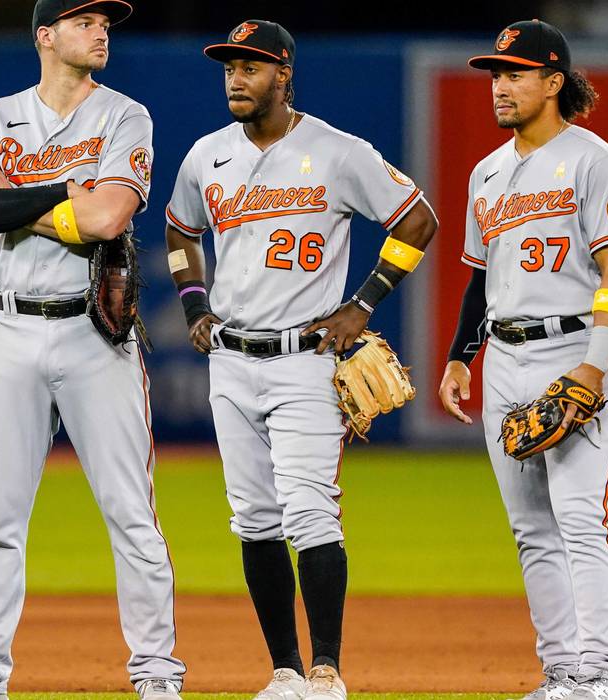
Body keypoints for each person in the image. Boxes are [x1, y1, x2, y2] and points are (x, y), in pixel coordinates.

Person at [164, 20, 438, 700]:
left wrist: (364, 303)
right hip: (229, 361)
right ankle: (284, 672)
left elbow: (417, 220)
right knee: (253, 519)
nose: (235, 77)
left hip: (302, 361)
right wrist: (194, 303)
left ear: (283, 74)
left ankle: (326, 672)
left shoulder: (338, 152)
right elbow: (178, 230)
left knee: (309, 514)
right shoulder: (206, 155)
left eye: (251, 66)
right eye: (229, 65)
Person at [0, 1, 185, 699]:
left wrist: (23, 195)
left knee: (131, 512)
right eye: (84, 21)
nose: (101, 31)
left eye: (105, 23)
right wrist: (65, 191)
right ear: (45, 35)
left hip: (93, 333)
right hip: (8, 329)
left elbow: (105, 216)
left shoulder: (125, 115)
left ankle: (156, 677)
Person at [438, 20, 608, 700]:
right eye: (494, 73)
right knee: (531, 528)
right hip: (505, 357)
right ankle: (561, 672)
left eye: (514, 73)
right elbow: (478, 276)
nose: (499, 86)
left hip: (575, 346)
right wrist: (460, 357)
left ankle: (596, 673)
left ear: (553, 81)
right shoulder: (486, 172)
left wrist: (594, 363)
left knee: (583, 516)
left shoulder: (596, 161)